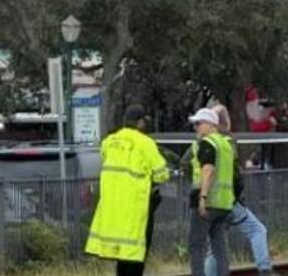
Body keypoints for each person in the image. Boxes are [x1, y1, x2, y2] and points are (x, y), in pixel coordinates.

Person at [85, 105, 170, 276]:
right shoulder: (146, 143)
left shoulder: (109, 142)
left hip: (113, 208)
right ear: (140, 122)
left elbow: (106, 158)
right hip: (136, 208)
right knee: (135, 254)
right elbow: (162, 175)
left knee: (122, 257)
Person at [204, 105, 276, 276]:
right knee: (257, 230)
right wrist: (238, 196)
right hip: (228, 202)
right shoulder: (227, 142)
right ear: (225, 122)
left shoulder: (203, 142)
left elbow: (187, 164)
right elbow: (235, 175)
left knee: (214, 246)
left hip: (209, 203)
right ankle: (265, 269)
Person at [188, 108, 235, 276]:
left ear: (210, 124)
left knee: (196, 245)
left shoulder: (207, 143)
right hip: (224, 204)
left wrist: (202, 198)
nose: (195, 127)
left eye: (198, 123)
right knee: (219, 246)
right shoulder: (226, 144)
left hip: (208, 202)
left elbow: (208, 170)